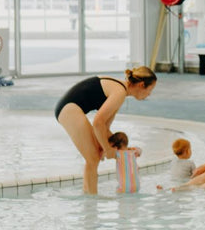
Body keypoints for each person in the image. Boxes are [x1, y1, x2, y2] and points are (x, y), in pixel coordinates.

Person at [54, 66, 157, 195]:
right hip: (69, 108)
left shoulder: (121, 91)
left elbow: (105, 128)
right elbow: (98, 123)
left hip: (69, 107)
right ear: (142, 85)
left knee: (94, 155)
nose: (149, 94)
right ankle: (92, 199)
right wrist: (107, 149)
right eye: (150, 90)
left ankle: (88, 194)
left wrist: (123, 149)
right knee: (93, 158)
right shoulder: (119, 92)